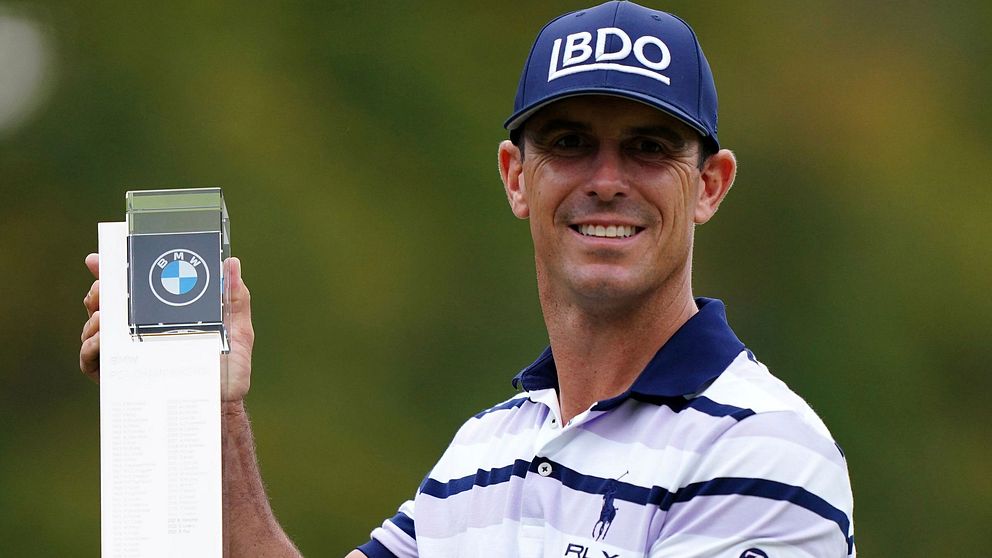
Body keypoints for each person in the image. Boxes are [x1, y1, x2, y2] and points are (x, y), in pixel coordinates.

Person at [80, 2, 855, 556]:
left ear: (710, 186)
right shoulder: (483, 453)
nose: (606, 180)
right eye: (570, 143)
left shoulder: (762, 451)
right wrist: (206, 413)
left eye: (648, 148)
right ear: (517, 177)